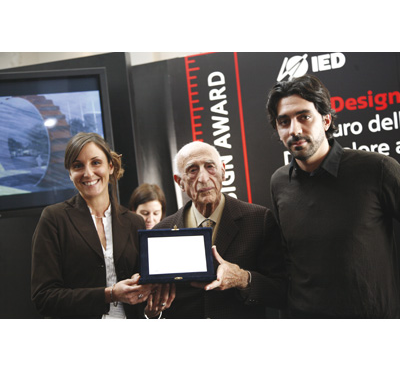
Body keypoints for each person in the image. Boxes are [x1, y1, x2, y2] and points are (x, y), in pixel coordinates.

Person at [267, 74, 400, 318]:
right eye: (284, 121)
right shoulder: (279, 182)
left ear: (326, 120)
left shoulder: (378, 169)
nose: (294, 130)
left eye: (304, 117)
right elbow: (287, 262)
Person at [31, 132, 174, 318]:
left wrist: (150, 310)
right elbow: (44, 297)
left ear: (111, 166)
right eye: (78, 165)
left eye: (96, 162)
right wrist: (110, 294)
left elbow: (142, 296)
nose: (88, 173)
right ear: (70, 173)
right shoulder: (54, 219)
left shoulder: (134, 222)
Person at [152, 140, 286, 319]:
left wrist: (242, 278)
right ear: (180, 182)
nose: (203, 178)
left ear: (223, 172)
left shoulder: (259, 220)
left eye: (210, 167)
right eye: (193, 170)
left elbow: (281, 291)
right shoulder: (162, 232)